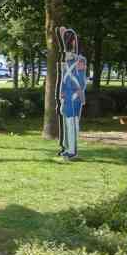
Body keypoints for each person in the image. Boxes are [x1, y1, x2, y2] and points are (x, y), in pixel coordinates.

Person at [57, 27, 87, 159]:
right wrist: (62, 91)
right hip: (67, 95)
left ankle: (73, 150)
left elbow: (82, 81)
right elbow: (64, 78)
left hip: (75, 95)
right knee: (67, 122)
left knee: (73, 123)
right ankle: (68, 147)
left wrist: (76, 91)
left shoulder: (80, 60)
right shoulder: (67, 60)